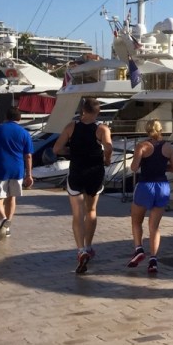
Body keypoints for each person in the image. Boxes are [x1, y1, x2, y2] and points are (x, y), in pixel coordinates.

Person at [53, 97, 112, 274]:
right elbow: (108, 146)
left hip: (77, 171)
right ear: (98, 112)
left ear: (83, 110)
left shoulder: (71, 127)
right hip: (95, 171)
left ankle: (80, 251)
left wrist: (70, 151)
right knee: (91, 211)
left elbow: (56, 149)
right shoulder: (102, 129)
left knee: (77, 214)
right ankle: (88, 246)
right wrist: (106, 159)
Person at [127, 118, 173, 275]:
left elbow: (134, 167)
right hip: (162, 187)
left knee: (136, 221)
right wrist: (163, 167)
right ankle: (153, 260)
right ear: (161, 129)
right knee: (154, 226)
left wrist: (143, 161)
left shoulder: (142, 146)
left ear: (146, 130)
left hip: (145, 186)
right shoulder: (168, 147)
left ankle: (138, 249)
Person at [0, 107, 34, 240]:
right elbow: (28, 156)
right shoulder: (24, 133)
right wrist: (29, 174)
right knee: (12, 197)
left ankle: (4, 220)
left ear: (6, 117)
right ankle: (7, 228)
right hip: (17, 169)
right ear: (19, 118)